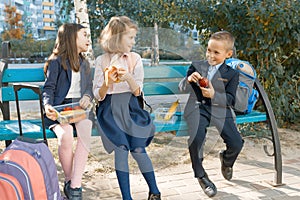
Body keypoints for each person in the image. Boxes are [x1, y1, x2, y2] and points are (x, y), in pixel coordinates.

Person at [93, 16, 161, 200]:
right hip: (109, 110)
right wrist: (107, 83)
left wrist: (128, 78)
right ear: (116, 37)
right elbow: (98, 95)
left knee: (138, 150)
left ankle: (155, 192)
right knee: (121, 149)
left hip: (131, 109)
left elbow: (138, 91)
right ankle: (127, 197)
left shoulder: (134, 59)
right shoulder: (101, 60)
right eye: (130, 38)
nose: (133, 42)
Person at [183, 31, 244, 197]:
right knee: (196, 138)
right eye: (209, 50)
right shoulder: (196, 66)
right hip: (197, 107)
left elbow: (231, 99)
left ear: (228, 54)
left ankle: (227, 160)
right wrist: (188, 80)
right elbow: (182, 88)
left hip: (219, 108)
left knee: (237, 143)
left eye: (216, 52)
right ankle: (201, 175)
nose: (211, 55)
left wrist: (214, 95)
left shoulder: (232, 74)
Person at [42, 23, 94, 200]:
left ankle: (75, 186)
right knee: (66, 135)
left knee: (86, 130)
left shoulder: (85, 63)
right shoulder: (56, 62)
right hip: (58, 111)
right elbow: (48, 89)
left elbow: (88, 88)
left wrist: (87, 96)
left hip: (77, 110)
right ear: (72, 39)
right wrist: (47, 106)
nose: (88, 39)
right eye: (84, 36)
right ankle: (71, 181)